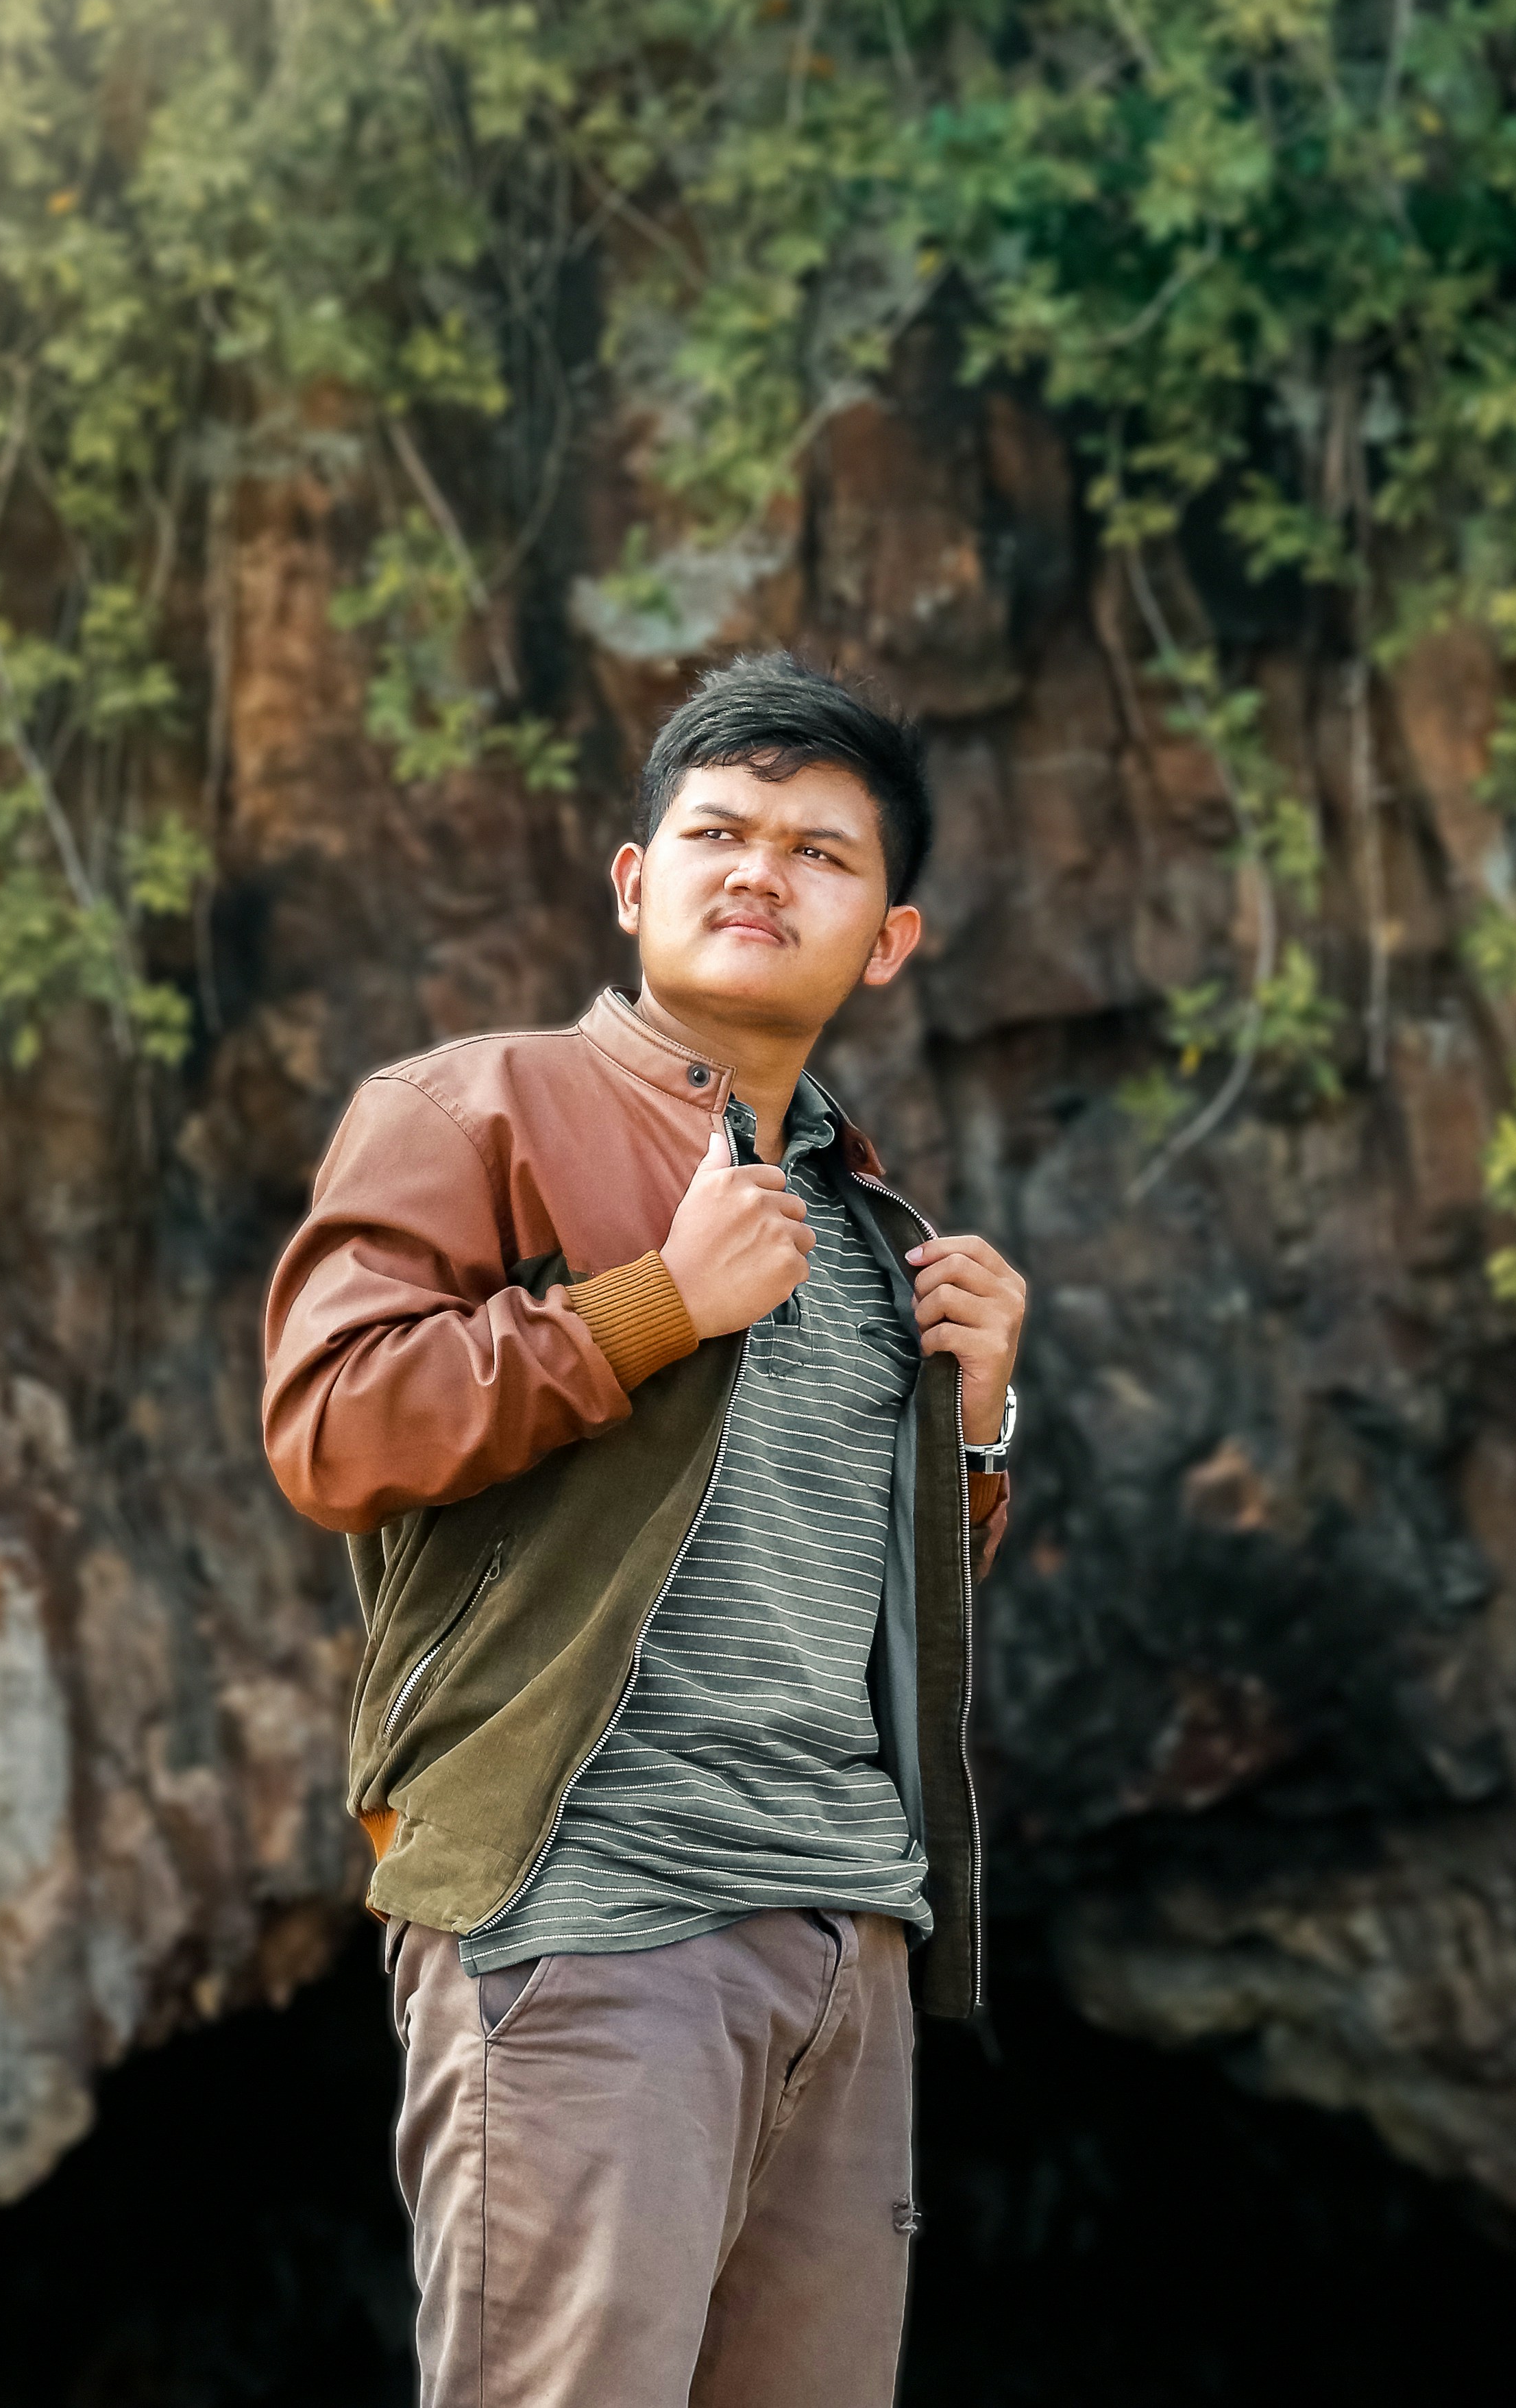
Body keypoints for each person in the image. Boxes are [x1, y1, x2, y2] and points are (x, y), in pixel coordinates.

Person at [262, 651, 1027, 2408]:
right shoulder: (477, 1111)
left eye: (820, 854)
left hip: (844, 1942)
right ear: (634, 882)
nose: (762, 872)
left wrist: (980, 1430)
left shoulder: (866, 1222)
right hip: (591, 1919)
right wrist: (650, 1306)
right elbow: (331, 1427)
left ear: (888, 938)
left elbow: (841, 1586)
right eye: (718, 833)